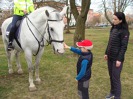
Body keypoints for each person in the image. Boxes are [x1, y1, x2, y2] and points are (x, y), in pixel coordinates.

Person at [104, 12, 130, 99]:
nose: (113, 20)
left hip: (117, 59)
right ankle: (112, 93)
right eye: (113, 18)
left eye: (115, 19)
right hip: (110, 57)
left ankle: (117, 96)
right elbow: (110, 42)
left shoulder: (124, 31)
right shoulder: (113, 28)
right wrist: (106, 53)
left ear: (121, 20)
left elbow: (124, 47)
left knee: (116, 78)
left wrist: (119, 59)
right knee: (111, 76)